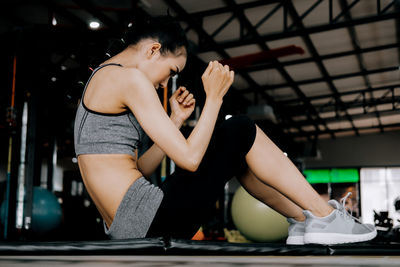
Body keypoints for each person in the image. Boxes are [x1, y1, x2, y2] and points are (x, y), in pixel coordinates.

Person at [74, 16, 377, 245]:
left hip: (129, 228)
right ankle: (324, 216)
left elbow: (137, 168)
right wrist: (215, 98)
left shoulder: (102, 79)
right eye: (171, 72)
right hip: (151, 220)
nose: (165, 84)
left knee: (239, 151)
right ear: (154, 50)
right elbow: (190, 160)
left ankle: (303, 220)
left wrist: (177, 121)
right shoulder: (129, 79)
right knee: (241, 128)